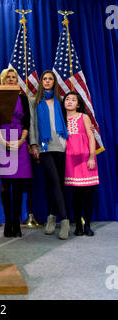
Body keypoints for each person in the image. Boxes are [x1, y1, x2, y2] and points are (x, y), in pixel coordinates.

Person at [0, 68, 32, 237]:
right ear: (3, 79)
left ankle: (17, 221)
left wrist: (22, 141)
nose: (10, 79)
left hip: (19, 142)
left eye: (13, 77)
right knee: (6, 184)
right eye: (8, 77)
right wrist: (1, 140)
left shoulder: (23, 98)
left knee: (18, 185)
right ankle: (8, 222)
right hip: (2, 140)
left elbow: (27, 122)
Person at [29, 70, 70, 239]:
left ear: (54, 82)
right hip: (44, 145)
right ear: (41, 82)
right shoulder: (35, 101)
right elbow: (31, 123)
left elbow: (71, 118)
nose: (47, 81)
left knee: (57, 183)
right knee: (54, 180)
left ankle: (51, 217)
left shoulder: (60, 101)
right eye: (44, 79)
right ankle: (65, 221)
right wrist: (33, 145)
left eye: (50, 79)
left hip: (60, 144)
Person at [63, 92, 99, 236]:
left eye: (73, 100)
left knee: (87, 194)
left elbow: (91, 138)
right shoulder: (61, 118)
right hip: (70, 159)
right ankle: (78, 224)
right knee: (76, 194)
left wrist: (91, 156)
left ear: (78, 104)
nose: (70, 102)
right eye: (67, 99)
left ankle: (87, 225)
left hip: (85, 157)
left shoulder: (84, 117)